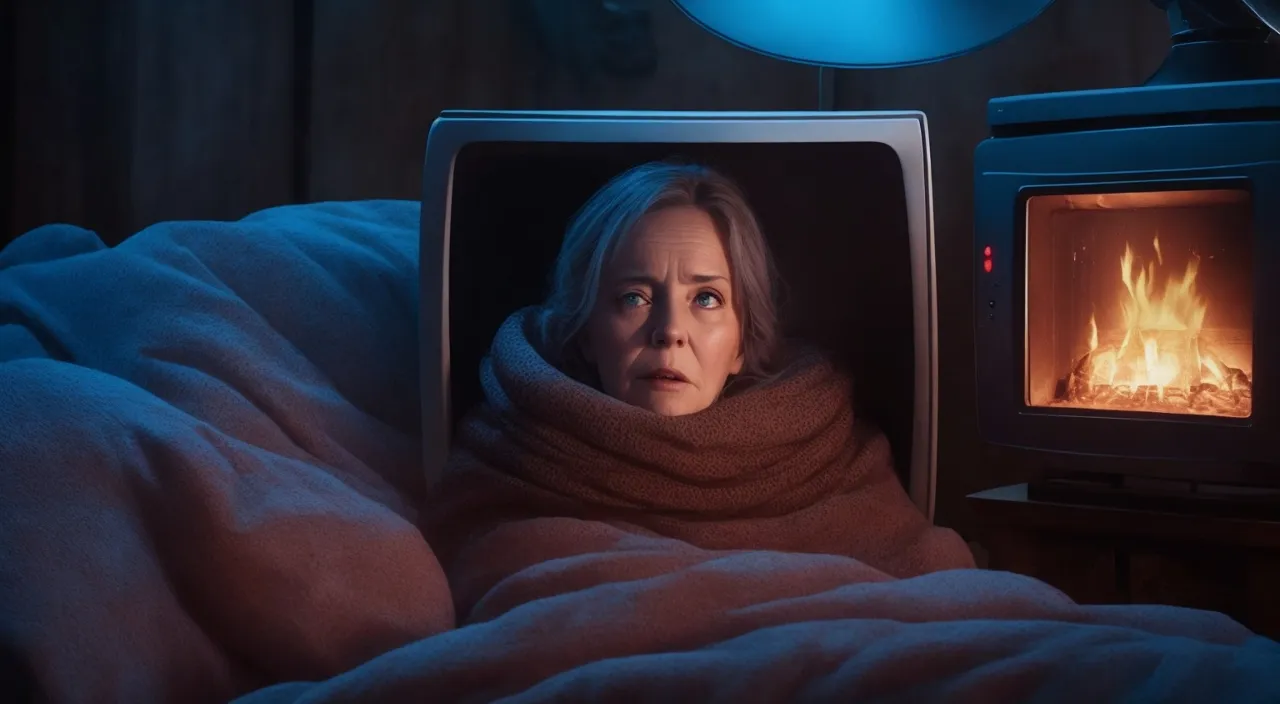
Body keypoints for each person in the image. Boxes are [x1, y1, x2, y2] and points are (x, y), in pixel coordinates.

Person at [423, 160, 974, 623]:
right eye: (634, 297)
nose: (670, 330)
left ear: (741, 344)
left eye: (706, 298)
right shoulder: (509, 455)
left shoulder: (830, 459)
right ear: (587, 334)